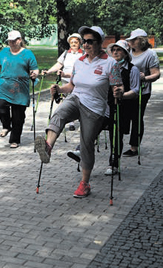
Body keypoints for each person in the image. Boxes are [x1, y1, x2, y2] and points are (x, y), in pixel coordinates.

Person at [34, 26, 124, 198]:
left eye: (90, 41)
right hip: (76, 98)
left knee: (86, 144)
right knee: (59, 114)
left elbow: (118, 86)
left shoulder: (110, 63)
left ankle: (85, 183)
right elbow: (72, 86)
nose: (86, 44)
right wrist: (59, 89)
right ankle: (47, 147)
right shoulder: (79, 61)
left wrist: (118, 92)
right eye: (84, 41)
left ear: (100, 43)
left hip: (95, 107)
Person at [0, 30, 39, 148]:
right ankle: (6, 126)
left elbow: (35, 69)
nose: (11, 43)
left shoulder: (27, 54)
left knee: (18, 116)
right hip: (4, 87)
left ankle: (15, 139)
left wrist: (34, 74)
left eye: (14, 41)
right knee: (0, 105)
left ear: (19, 40)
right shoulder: (5, 52)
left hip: (20, 89)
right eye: (9, 41)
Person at [103, 40, 140, 175]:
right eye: (113, 50)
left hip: (122, 106)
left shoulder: (132, 69)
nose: (115, 52)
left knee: (116, 135)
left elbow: (135, 91)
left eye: (119, 50)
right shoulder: (107, 66)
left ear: (125, 53)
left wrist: (122, 95)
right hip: (106, 105)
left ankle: (114, 164)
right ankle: (81, 152)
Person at [123, 28, 160, 157]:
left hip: (142, 92)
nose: (131, 43)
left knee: (137, 117)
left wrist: (144, 78)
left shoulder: (150, 54)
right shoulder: (128, 52)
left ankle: (134, 147)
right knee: (125, 115)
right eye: (130, 40)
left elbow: (156, 74)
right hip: (127, 89)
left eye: (134, 40)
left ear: (141, 41)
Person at [43, 33, 84, 131]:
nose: (73, 44)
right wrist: (48, 71)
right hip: (65, 80)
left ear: (80, 43)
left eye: (76, 42)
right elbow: (59, 64)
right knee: (66, 99)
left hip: (78, 80)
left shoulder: (83, 54)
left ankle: (80, 117)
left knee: (78, 99)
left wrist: (66, 74)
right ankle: (71, 122)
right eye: (72, 42)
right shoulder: (66, 53)